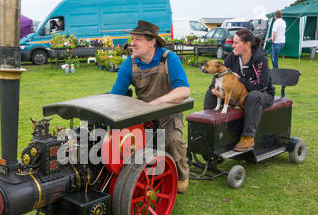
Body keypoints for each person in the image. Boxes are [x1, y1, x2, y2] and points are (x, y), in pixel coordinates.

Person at [111, 20, 191, 194]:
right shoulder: (129, 64)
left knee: (171, 140)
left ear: (152, 41)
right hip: (142, 113)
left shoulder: (169, 58)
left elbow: (184, 91)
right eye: (131, 39)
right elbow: (116, 95)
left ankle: (182, 176)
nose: (132, 43)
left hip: (169, 111)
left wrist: (156, 103)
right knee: (124, 142)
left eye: (137, 39)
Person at [203, 28, 275, 152]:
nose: (233, 46)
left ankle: (248, 137)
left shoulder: (260, 59)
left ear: (247, 44)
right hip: (239, 95)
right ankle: (210, 130)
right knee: (210, 94)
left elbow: (261, 85)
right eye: (233, 42)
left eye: (236, 43)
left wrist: (240, 79)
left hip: (263, 95)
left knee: (252, 96)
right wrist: (213, 89)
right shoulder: (233, 57)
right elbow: (219, 74)